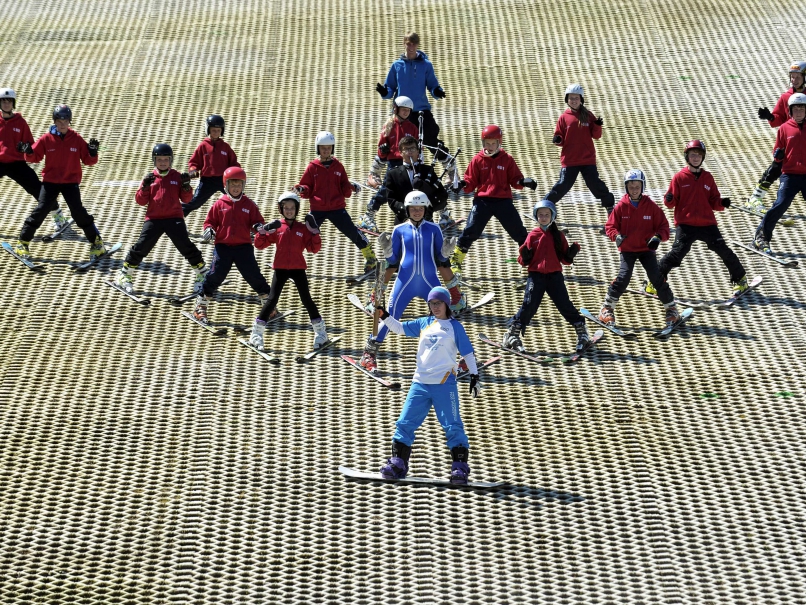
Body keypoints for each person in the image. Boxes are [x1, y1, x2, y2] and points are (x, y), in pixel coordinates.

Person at [375, 286, 480, 485]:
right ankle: (398, 463)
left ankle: (459, 468)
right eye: (431, 303)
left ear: (446, 304)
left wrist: (474, 375)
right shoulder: (424, 323)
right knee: (405, 422)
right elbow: (399, 328)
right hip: (420, 383)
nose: (435, 307)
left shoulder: (455, 327)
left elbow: (468, 353)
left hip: (444, 384)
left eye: (438, 303)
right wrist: (383, 315)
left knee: (452, 425)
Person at [359, 191, 465, 373]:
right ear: (407, 210)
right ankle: (369, 354)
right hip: (405, 281)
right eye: (413, 208)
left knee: (446, 318)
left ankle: (463, 356)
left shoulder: (434, 229)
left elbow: (440, 259)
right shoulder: (399, 230)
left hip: (429, 282)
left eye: (420, 208)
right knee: (389, 315)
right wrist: (387, 250)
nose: (417, 211)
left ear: (426, 209)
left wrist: (446, 252)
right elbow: (393, 260)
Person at [646, 140, 748, 296]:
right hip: (686, 225)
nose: (696, 158)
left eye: (699, 155)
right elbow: (669, 203)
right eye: (693, 155)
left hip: (707, 224)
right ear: (687, 157)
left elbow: (714, 201)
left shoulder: (708, 177)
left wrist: (722, 203)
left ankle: (740, 279)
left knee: (723, 250)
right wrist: (669, 197)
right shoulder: (679, 177)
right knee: (676, 254)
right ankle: (655, 280)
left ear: (703, 158)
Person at [13, 104, 108, 261]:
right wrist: (28, 151)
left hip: (70, 182)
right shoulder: (46, 138)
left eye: (65, 120)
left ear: (69, 121)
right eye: (59, 120)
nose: (62, 124)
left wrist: (92, 152)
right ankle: (23, 242)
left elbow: (88, 161)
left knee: (78, 212)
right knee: (42, 209)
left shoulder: (75, 138)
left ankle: (97, 243)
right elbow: (34, 157)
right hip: (50, 182)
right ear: (54, 121)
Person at [116, 144, 206, 293]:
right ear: (154, 160)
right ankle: (125, 275)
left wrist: (185, 186)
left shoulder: (177, 176)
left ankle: (202, 274)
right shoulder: (150, 178)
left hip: (174, 217)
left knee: (185, 245)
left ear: (171, 160)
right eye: (159, 159)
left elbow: (187, 199)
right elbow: (140, 201)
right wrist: (145, 187)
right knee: (142, 245)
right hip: (154, 218)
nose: (163, 162)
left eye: (166, 159)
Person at [501, 199, 589, 353]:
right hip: (536, 276)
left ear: (552, 216)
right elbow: (523, 261)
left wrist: (571, 253)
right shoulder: (533, 235)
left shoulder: (558, 235)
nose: (543, 218)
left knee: (564, 304)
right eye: (540, 215)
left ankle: (581, 331)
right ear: (536, 217)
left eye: (546, 215)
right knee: (529, 304)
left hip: (554, 275)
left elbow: (564, 260)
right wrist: (524, 256)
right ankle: (512, 333)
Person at [448, 125, 536, 275]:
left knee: (518, 231)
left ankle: (530, 261)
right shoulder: (477, 160)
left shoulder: (507, 159)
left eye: (493, 143)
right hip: (483, 201)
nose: (489, 147)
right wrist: (462, 184)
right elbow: (470, 182)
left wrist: (523, 182)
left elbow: (515, 179)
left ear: (499, 142)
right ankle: (455, 261)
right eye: (487, 143)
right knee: (471, 230)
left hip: (503, 201)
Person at [248, 192, 329, 351]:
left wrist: (315, 233)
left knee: (306, 300)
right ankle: (256, 334)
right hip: (280, 268)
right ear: (281, 209)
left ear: (297, 209)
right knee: (271, 300)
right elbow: (259, 244)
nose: (289, 211)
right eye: (286, 208)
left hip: (298, 268)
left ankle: (321, 333)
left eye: (292, 208)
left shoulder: (302, 228)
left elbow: (314, 249)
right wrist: (263, 231)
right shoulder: (278, 227)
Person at [599, 170, 680, 328]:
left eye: (637, 186)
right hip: (628, 250)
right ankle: (607, 307)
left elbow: (664, 226)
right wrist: (616, 236)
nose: (634, 189)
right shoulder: (621, 206)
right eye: (631, 186)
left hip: (646, 250)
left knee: (656, 277)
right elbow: (610, 226)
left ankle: (671, 308)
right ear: (626, 187)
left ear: (642, 187)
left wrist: (657, 237)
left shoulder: (650, 206)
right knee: (624, 277)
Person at [192, 167, 271, 323]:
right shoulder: (220, 204)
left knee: (253, 275)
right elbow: (210, 221)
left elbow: (257, 221)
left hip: (243, 247)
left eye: (239, 184)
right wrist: (209, 229)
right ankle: (200, 306)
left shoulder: (249, 204)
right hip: (223, 246)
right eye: (232, 184)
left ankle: (269, 305)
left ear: (243, 185)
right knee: (215, 275)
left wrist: (258, 228)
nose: (236, 188)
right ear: (225, 185)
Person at [293, 130, 377, 273]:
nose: (326, 151)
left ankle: (371, 259)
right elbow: (307, 186)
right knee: (305, 233)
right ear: (317, 148)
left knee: (352, 231)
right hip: (318, 208)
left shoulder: (338, 166)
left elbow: (344, 184)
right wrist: (301, 189)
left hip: (337, 208)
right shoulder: (312, 167)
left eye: (329, 148)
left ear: (333, 148)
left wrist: (351, 187)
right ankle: (291, 260)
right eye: (323, 148)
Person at [375, 32, 454, 178]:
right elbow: (390, 88)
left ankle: (451, 170)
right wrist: (384, 91)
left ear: (417, 45)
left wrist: (437, 91)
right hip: (401, 112)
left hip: (421, 111)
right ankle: (376, 173)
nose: (410, 47)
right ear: (404, 44)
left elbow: (432, 85)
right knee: (392, 141)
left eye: (413, 44)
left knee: (430, 140)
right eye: (408, 43)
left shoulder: (426, 65)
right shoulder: (397, 65)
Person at [540, 84, 615, 224]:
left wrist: (597, 125)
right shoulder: (564, 117)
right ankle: (545, 207)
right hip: (570, 160)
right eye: (571, 98)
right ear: (566, 100)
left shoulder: (588, 115)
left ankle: (610, 207)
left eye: (576, 98)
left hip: (587, 160)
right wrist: (557, 139)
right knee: (562, 185)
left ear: (581, 99)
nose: (573, 100)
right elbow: (559, 137)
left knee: (595, 184)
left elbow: (596, 136)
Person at [0, 87, 68, 233]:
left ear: (13, 103)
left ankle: (58, 216)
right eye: (3, 101)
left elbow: (31, 145)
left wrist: (25, 148)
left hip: (16, 163)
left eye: (9, 101)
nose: (6, 104)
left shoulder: (20, 122)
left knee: (37, 189)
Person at [747, 61, 806, 211]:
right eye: (792, 77)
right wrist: (771, 117)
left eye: (798, 76)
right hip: (791, 138)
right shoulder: (786, 97)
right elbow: (778, 119)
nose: (794, 80)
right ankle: (755, 197)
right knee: (777, 167)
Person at [753, 93, 806, 255]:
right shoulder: (784, 128)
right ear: (790, 111)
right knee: (781, 204)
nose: (799, 112)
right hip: (790, 175)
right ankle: (761, 238)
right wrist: (779, 155)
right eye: (795, 109)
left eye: (802, 108)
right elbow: (777, 152)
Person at [360, 135, 449, 231]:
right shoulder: (393, 174)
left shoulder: (428, 171)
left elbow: (442, 195)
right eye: (406, 149)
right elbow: (392, 200)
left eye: (413, 148)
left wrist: (425, 188)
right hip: (403, 219)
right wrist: (408, 213)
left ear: (418, 151)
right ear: (400, 153)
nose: (410, 151)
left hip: (426, 219)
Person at [183, 115, 240, 216]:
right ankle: (177, 220)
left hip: (224, 180)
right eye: (213, 130)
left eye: (218, 130)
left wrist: (237, 173)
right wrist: (193, 170)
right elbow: (194, 162)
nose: (216, 133)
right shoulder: (203, 146)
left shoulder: (225, 147)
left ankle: (252, 224)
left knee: (239, 199)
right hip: (207, 181)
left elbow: (234, 163)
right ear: (208, 130)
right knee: (194, 202)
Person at [366, 96, 419, 190]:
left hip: (407, 161)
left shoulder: (412, 128)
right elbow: (381, 147)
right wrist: (383, 150)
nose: (406, 112)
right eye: (403, 110)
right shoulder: (389, 125)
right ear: (396, 109)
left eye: (408, 110)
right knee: (388, 186)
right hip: (393, 160)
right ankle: (374, 202)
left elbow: (418, 145)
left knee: (407, 185)